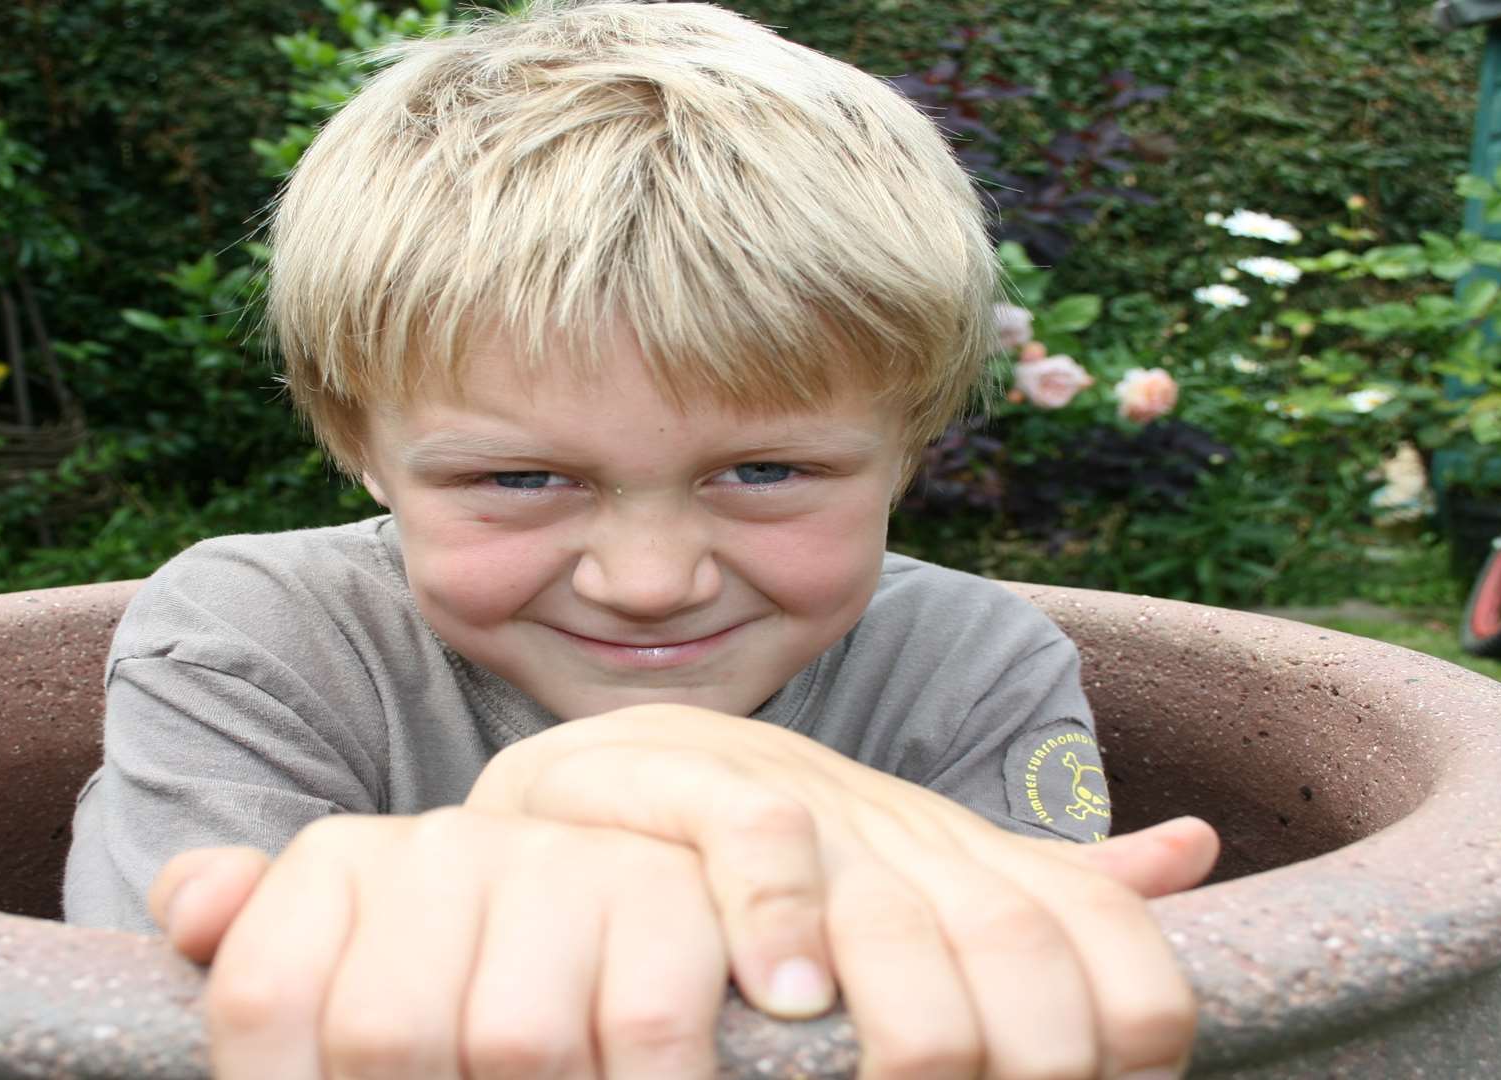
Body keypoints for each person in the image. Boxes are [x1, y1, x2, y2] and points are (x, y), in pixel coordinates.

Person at [63, 1, 1221, 1075]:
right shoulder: (248, 643)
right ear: (358, 441)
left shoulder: (971, 668)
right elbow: (161, 1029)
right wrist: (604, 787)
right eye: (519, 478)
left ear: (907, 443)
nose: (651, 584)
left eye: (767, 471)